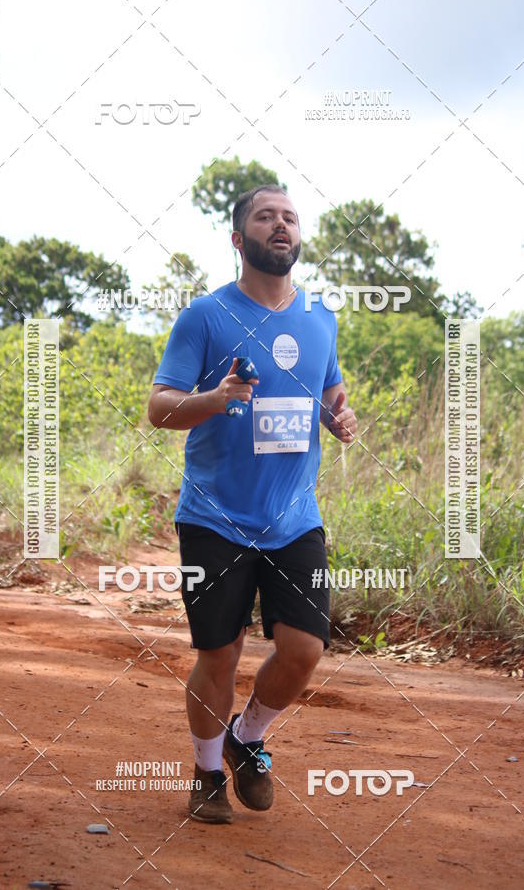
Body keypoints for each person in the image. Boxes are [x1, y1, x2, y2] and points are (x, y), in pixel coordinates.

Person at [148, 184, 357, 824]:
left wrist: (339, 417)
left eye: (290, 217)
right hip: (214, 516)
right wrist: (214, 399)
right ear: (239, 239)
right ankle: (208, 773)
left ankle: (247, 736)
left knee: (305, 649)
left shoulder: (320, 315)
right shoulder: (206, 316)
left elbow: (330, 392)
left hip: (293, 517)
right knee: (220, 654)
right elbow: (159, 408)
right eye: (265, 217)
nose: (281, 225)